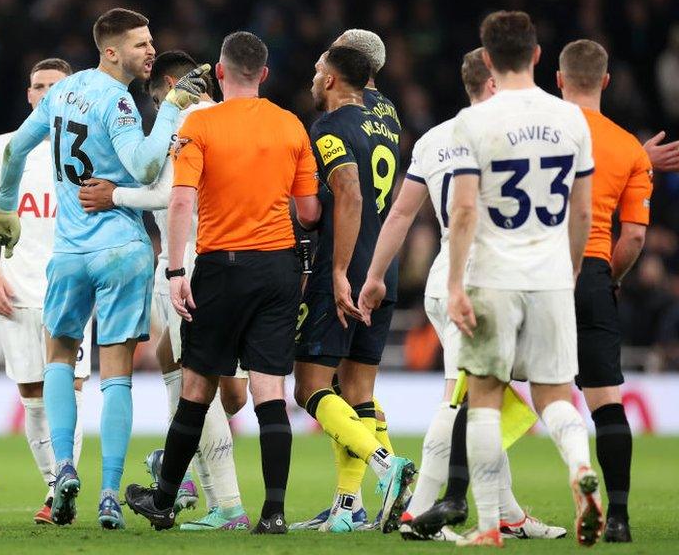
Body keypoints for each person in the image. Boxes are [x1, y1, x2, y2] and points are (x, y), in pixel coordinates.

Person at [0, 8, 209, 529]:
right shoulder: (122, 104)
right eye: (140, 45)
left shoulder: (64, 92)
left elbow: (16, 147)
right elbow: (147, 166)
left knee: (58, 359)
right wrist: (173, 108)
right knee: (116, 376)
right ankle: (108, 492)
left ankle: (64, 470)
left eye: (151, 42)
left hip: (69, 252)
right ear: (111, 51)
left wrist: (4, 208)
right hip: (122, 249)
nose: (151, 51)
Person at [359, 48, 565, 542]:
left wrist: (374, 275)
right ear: (493, 84)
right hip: (476, 284)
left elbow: (403, 215)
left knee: (481, 399)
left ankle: (509, 514)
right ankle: (420, 513)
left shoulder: (434, 139)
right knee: (463, 402)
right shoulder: (509, 136)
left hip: (444, 280)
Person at [123, 30, 318, 535]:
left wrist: (174, 268)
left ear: (222, 73)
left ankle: (165, 500)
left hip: (221, 265)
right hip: (278, 267)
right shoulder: (291, 125)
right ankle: (273, 514)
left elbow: (181, 200)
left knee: (195, 385)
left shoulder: (200, 125)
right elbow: (310, 210)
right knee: (270, 393)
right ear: (265, 75)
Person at [443, 11, 601, 547]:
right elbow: (583, 213)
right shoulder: (572, 120)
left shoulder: (475, 122)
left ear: (487, 59)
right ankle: (580, 466)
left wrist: (455, 285)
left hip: (493, 275)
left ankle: (489, 526)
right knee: (556, 394)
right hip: (552, 275)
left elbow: (464, 210)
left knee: (485, 395)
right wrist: (573, 267)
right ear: (537, 55)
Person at [77, 49, 249, 530]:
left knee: (200, 389)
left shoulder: (189, 120)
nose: (156, 109)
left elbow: (167, 196)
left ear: (173, 82)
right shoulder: (228, 119)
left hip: (189, 260)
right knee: (172, 361)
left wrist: (114, 194)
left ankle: (226, 504)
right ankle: (181, 476)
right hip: (233, 258)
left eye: (157, 98)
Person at [289, 44, 415, 535]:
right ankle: (349, 506)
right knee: (359, 390)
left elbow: (349, 192)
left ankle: (387, 466)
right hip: (386, 268)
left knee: (309, 387)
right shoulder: (387, 116)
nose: (314, 75)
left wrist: (338, 270)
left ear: (334, 79)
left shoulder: (329, 128)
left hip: (346, 266)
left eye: (320, 67)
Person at [0, 57, 91, 525]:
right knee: (32, 394)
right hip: (16, 289)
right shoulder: (4, 147)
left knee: (72, 390)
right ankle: (55, 486)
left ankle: (63, 479)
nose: (44, 93)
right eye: (37, 85)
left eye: (54, 86)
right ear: (28, 95)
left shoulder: (88, 149)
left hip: (73, 286)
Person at [557, 39, 655, 543]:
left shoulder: (541, 131)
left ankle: (473, 500)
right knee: (605, 398)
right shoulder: (628, 148)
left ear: (558, 80)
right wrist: (610, 279)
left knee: (487, 389)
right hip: (594, 273)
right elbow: (635, 235)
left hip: (536, 271)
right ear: (607, 82)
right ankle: (617, 515)